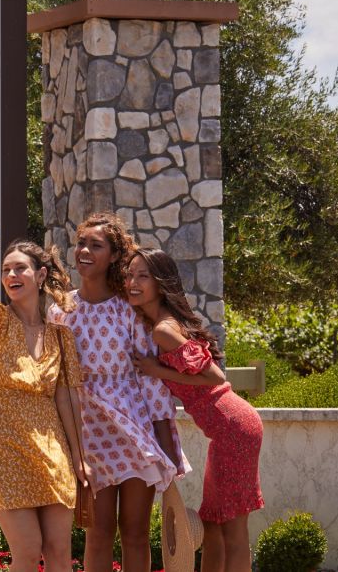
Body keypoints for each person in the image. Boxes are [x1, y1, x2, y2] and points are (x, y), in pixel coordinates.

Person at [47, 212, 183, 572]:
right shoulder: (59, 312)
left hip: (133, 431)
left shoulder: (130, 309)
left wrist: (167, 447)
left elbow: (151, 381)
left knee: (136, 533)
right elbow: (54, 379)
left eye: (96, 245)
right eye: (81, 243)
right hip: (87, 435)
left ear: (113, 256)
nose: (84, 250)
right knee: (98, 532)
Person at [127, 247, 264, 572]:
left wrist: (157, 370)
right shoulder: (161, 323)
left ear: (160, 284)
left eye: (142, 275)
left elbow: (215, 375)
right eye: (130, 275)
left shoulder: (164, 329)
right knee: (212, 522)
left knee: (232, 527)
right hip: (228, 428)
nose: (133, 282)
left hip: (233, 426)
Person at [0, 234, 88, 572]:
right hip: (4, 446)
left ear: (40, 276)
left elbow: (66, 397)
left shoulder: (61, 334)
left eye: (20, 269)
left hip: (51, 447)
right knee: (28, 554)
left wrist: (78, 456)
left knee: (60, 552)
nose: (11, 276)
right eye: (6, 270)